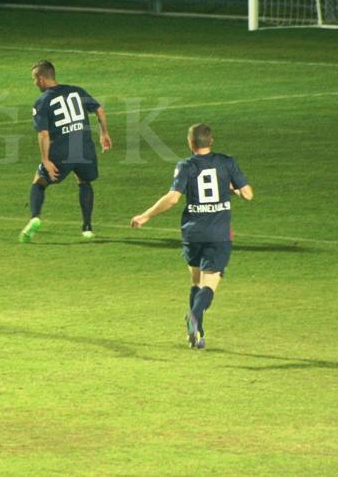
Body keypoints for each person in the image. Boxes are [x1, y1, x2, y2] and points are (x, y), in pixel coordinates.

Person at [130, 123, 254, 349]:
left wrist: (146, 216)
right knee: (210, 284)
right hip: (218, 234)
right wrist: (231, 188)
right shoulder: (227, 162)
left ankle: (196, 335)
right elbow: (248, 194)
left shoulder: (185, 165)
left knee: (196, 282)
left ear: (190, 143)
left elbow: (172, 199)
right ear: (211, 141)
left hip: (192, 233)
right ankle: (194, 315)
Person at [19, 60, 112, 243]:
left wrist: (45, 160)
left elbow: (43, 134)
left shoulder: (42, 101)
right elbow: (99, 110)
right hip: (84, 148)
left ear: (41, 78)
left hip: (61, 151)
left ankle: (35, 217)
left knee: (39, 182)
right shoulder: (76, 91)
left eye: (34, 80)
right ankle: (87, 228)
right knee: (84, 181)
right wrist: (104, 133)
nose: (35, 83)